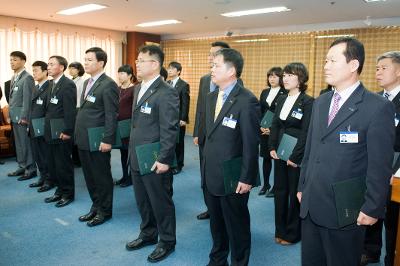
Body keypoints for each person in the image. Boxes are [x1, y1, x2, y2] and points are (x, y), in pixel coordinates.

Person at [298, 37, 395, 266]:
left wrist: (373, 207)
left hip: (346, 208)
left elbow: (379, 164)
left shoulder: (377, 107)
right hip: (312, 202)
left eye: (332, 60)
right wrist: (303, 186)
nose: (325, 66)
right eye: (325, 61)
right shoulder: (321, 102)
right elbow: (312, 149)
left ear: (353, 65)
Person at [203, 48, 260, 266]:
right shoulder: (210, 98)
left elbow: (250, 143)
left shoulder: (246, 100)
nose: (212, 69)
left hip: (233, 176)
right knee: (216, 223)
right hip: (210, 172)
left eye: (216, 65)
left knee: (236, 224)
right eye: (212, 65)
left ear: (232, 70)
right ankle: (217, 259)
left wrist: (246, 178)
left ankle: (239, 261)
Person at [125, 45, 179, 263]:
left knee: (160, 202)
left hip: (155, 157)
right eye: (137, 60)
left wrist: (164, 159)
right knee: (142, 200)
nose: (136, 63)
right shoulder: (139, 88)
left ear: (155, 64)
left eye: (141, 60)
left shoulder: (167, 92)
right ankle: (148, 234)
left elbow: (170, 129)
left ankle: (167, 241)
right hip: (137, 154)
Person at [361, 51, 400, 266]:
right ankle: (371, 250)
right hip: (372, 164)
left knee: (393, 219)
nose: (378, 72)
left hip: (397, 169)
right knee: (372, 205)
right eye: (377, 68)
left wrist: (393, 170)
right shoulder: (374, 100)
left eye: (384, 67)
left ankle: (391, 257)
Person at [269, 63, 314, 245]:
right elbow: (275, 125)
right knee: (280, 192)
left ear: (300, 79)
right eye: (284, 75)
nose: (285, 78)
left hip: (295, 156)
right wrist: (271, 146)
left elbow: (307, 132)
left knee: (295, 194)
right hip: (279, 152)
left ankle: (293, 233)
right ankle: (280, 230)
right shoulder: (281, 99)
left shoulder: (308, 102)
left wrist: (296, 157)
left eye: (290, 75)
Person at [75, 47, 119, 227]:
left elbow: (111, 115)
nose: (85, 63)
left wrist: (108, 139)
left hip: (98, 139)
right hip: (84, 138)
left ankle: (105, 211)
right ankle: (96, 206)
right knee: (89, 176)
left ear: (100, 63)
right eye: (84, 59)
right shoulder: (87, 82)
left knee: (101, 176)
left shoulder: (108, 84)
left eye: (89, 60)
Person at [193, 41, 231, 220]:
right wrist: (196, 132)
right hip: (205, 135)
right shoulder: (204, 79)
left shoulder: (234, 82)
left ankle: (222, 209)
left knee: (221, 173)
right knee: (205, 172)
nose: (211, 58)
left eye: (215, 54)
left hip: (223, 138)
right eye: (210, 54)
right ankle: (210, 207)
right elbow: (200, 107)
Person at [43, 55, 77, 208]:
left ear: (61, 67)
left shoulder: (67, 84)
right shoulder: (51, 84)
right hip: (51, 130)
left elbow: (70, 110)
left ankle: (68, 193)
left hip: (62, 131)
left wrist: (68, 130)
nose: (48, 67)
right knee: (53, 164)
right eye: (48, 64)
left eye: (51, 64)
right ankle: (59, 190)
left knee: (63, 164)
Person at [7, 51, 37, 180]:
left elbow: (27, 100)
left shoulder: (27, 77)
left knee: (25, 143)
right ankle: (22, 165)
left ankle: (31, 169)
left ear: (23, 61)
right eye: (11, 60)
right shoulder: (15, 77)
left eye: (15, 60)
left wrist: (24, 117)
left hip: (22, 117)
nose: (12, 62)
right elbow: (12, 98)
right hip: (14, 116)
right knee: (18, 143)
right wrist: (9, 114)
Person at [258, 67, 286, 198]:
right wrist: (261, 126)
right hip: (264, 131)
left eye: (275, 76)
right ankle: (266, 185)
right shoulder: (264, 92)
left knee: (278, 160)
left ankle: (276, 187)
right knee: (266, 158)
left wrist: (273, 129)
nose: (272, 79)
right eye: (270, 76)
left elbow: (283, 115)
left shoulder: (285, 93)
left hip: (277, 132)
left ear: (281, 78)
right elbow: (260, 110)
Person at [28, 61, 51, 191]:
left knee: (45, 155)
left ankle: (49, 180)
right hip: (33, 126)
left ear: (45, 71)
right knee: (37, 154)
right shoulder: (35, 87)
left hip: (43, 127)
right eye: (33, 71)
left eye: (36, 70)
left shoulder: (50, 86)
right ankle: (42, 177)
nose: (34, 73)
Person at [114, 64, 136, 187]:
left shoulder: (134, 89)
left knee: (129, 153)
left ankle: (131, 178)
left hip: (128, 125)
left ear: (130, 76)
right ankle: (124, 176)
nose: (119, 76)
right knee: (123, 153)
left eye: (122, 73)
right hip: (119, 126)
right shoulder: (118, 88)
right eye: (119, 73)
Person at [167, 61, 190, 175]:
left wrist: (183, 118)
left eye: (172, 69)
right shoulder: (167, 83)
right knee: (170, 142)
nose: (169, 70)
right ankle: (171, 163)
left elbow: (185, 103)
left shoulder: (183, 85)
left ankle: (179, 165)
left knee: (179, 142)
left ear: (178, 71)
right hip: (168, 118)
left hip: (178, 119)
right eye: (169, 68)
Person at [68, 61, 86, 167]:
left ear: (79, 70)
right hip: (70, 109)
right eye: (69, 68)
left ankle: (77, 160)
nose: (70, 70)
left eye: (73, 68)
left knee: (76, 136)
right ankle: (74, 158)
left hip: (77, 109)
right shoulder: (70, 81)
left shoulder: (82, 82)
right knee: (70, 136)